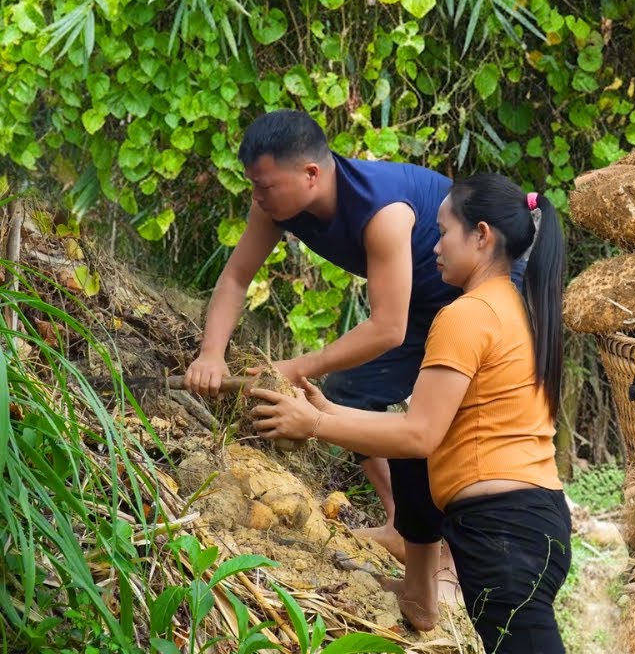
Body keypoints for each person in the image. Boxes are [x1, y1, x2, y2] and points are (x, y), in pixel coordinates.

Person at [249, 173, 571, 651]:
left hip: (501, 533)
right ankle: (419, 594)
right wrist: (329, 410)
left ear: (481, 236)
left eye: (442, 232)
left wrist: (314, 425)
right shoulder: (516, 307)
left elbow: (418, 434)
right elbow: (418, 434)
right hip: (530, 522)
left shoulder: (467, 315)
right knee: (410, 458)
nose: (435, 247)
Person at [183, 110, 518, 565]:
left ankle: (483, 552)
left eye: (265, 185)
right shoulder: (276, 205)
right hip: (422, 297)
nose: (256, 196)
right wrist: (210, 354)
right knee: (353, 392)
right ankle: (404, 527)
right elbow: (237, 278)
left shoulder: (381, 212)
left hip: (482, 282)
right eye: (253, 185)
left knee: (459, 418)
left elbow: (387, 328)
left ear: (311, 174)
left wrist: (294, 367)